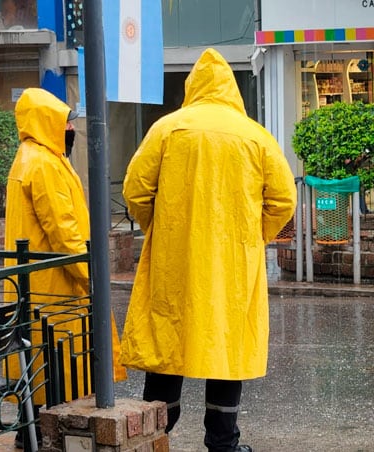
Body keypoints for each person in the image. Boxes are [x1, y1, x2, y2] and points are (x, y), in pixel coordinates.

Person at [120, 48, 297, 452]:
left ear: (192, 87)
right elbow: (284, 200)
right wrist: (255, 236)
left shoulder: (168, 128)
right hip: (233, 263)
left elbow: (135, 189)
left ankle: (154, 436)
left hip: (175, 261)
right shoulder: (255, 135)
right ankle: (224, 442)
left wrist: (160, 228)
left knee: (169, 344)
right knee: (226, 348)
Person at [4, 87, 127, 447]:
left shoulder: (30, 157)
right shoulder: (43, 164)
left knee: (39, 369)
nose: (70, 128)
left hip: (37, 282)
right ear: (47, 123)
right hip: (54, 286)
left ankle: (29, 435)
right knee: (56, 371)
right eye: (65, 122)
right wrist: (92, 279)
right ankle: (39, 438)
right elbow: (64, 231)